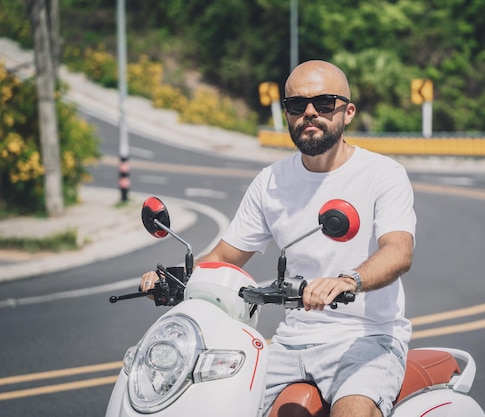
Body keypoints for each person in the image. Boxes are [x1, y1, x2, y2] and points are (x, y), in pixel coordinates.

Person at [141, 60, 416, 417]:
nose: (310, 113)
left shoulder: (383, 175)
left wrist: (348, 281)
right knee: (219, 400)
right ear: (286, 113)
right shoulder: (271, 181)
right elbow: (225, 257)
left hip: (366, 336)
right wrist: (172, 278)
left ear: (348, 112)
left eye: (325, 103)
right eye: (297, 105)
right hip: (292, 340)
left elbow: (398, 251)